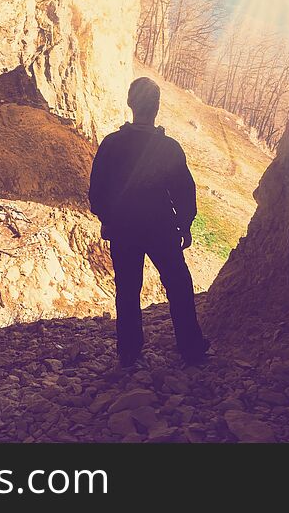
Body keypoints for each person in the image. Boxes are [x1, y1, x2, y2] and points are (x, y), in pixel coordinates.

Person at [89, 77, 210, 368]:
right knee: (179, 285)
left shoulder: (112, 144)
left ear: (130, 104)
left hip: (124, 229)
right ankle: (191, 348)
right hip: (161, 228)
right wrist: (184, 225)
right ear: (156, 106)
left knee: (128, 289)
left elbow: (97, 190)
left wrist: (109, 219)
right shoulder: (168, 147)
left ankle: (129, 352)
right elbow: (183, 190)